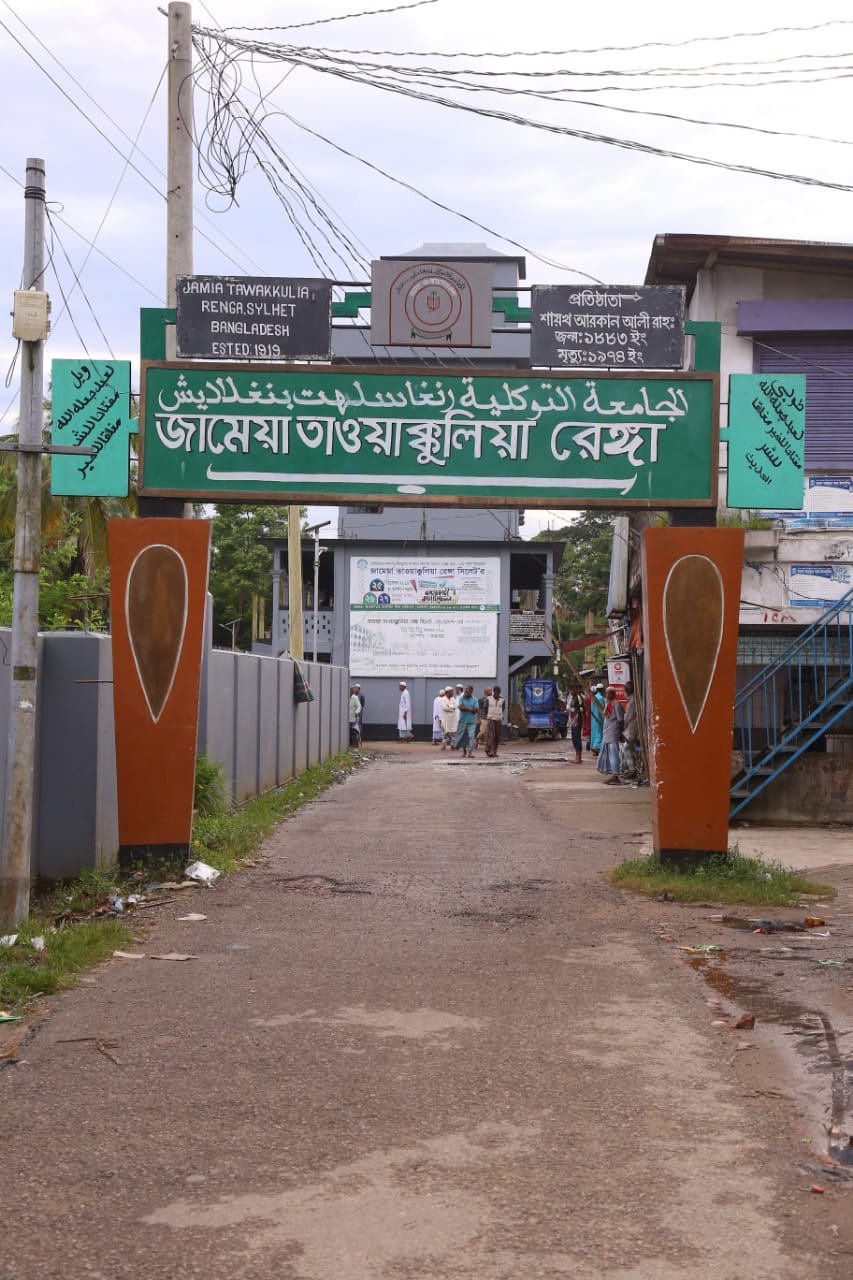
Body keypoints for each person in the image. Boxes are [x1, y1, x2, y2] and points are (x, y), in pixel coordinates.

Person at [596, 686, 624, 784]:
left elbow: (621, 720)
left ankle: (615, 776)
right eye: (606, 693)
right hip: (607, 732)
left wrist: (620, 733)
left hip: (613, 732)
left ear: (613, 694)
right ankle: (612, 774)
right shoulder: (607, 703)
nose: (607, 695)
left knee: (614, 755)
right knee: (606, 754)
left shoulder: (616, 704)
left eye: (609, 693)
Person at [455, 684, 479, 757]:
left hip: (472, 721)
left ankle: (470, 753)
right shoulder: (461, 698)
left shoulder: (475, 699)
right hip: (463, 720)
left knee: (471, 736)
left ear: (471, 692)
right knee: (463, 737)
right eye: (465, 690)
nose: (465, 692)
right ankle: (464, 752)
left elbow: (476, 710)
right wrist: (469, 708)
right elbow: (460, 707)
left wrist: (466, 708)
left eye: (467, 691)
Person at [622, 681, 639, 778]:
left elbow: (628, 717)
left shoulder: (632, 701)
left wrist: (623, 725)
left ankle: (632, 770)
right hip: (632, 728)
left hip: (632, 729)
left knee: (626, 748)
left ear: (627, 691)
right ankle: (630, 768)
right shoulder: (632, 700)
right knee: (631, 748)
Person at [484, 685, 506, 758]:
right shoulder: (489, 699)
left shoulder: (502, 699)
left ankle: (494, 751)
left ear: (499, 692)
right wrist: (489, 715)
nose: (497, 693)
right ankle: (489, 750)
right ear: (493, 691)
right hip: (491, 719)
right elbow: (485, 708)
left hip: (498, 719)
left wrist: (499, 714)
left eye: (498, 691)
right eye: (495, 691)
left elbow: (503, 708)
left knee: (497, 736)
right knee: (490, 735)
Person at [567, 684, 584, 765]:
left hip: (578, 721)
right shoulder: (572, 698)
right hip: (573, 721)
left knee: (577, 739)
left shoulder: (578, 698)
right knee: (574, 739)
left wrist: (583, 722)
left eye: (572, 690)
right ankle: (576, 757)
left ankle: (579, 757)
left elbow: (581, 710)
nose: (571, 691)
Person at [475, 686, 492, 752]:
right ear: (486, 692)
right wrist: (478, 718)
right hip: (484, 717)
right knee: (482, 731)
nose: (491, 692)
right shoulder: (481, 700)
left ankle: (486, 744)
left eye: (491, 690)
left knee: (489, 732)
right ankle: (476, 739)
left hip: (490, 717)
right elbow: (478, 710)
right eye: (490, 690)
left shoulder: (491, 699)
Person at [589, 684, 605, 755]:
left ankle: (594, 746)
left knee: (595, 732)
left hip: (594, 718)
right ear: (602, 690)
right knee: (599, 733)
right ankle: (597, 747)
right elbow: (603, 709)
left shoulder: (593, 697)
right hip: (600, 718)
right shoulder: (601, 698)